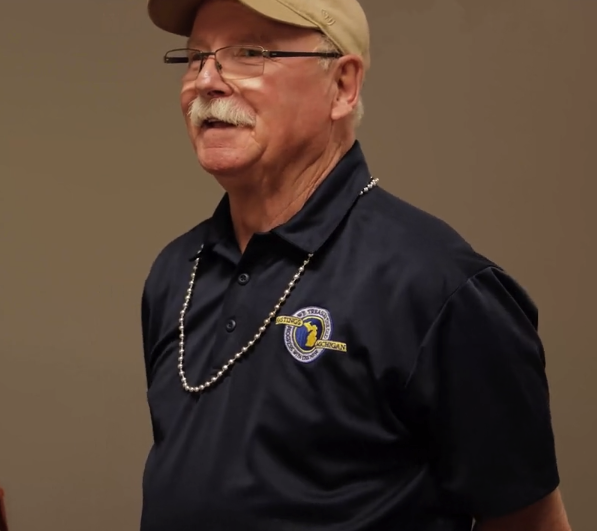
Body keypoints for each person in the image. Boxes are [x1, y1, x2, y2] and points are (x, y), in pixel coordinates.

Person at [138, 1, 571, 530]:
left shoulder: (438, 288)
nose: (205, 81)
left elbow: (531, 523)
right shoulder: (177, 273)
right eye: (195, 57)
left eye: (248, 53)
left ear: (342, 85)